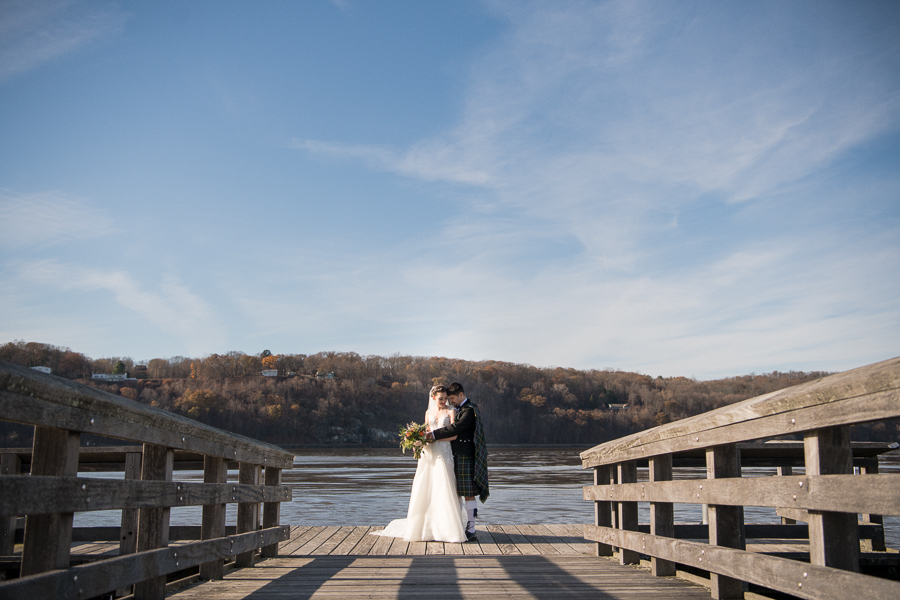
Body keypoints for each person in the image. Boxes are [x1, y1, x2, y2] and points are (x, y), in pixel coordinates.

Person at [372, 385, 468, 542]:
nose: (444, 401)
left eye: (445, 398)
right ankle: (424, 527)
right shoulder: (428, 413)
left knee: (444, 487)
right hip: (429, 453)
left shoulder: (451, 411)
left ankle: (447, 529)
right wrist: (419, 441)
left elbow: (453, 436)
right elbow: (426, 431)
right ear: (433, 398)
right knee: (426, 486)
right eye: (440, 399)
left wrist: (433, 438)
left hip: (443, 452)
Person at [427, 381, 489, 541]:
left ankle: (472, 527)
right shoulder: (458, 409)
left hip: (464, 455)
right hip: (451, 455)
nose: (449, 401)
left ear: (461, 395)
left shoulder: (469, 410)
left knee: (468, 493)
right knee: (451, 493)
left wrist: (432, 435)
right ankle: (453, 526)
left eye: (452, 398)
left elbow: (456, 428)